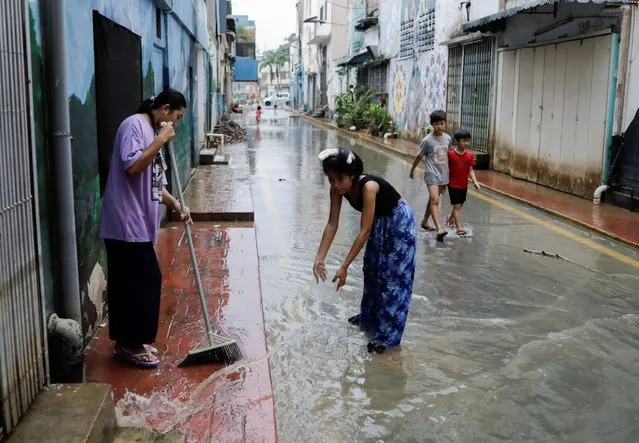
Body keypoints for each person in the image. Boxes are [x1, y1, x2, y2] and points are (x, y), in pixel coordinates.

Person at [99, 88, 191, 369]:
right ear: (164, 109)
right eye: (175, 117)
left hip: (138, 224)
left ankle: (132, 342)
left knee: (136, 283)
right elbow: (132, 167)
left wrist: (177, 205)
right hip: (125, 223)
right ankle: (130, 344)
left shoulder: (150, 134)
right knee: (143, 281)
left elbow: (155, 184)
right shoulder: (133, 126)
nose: (175, 124)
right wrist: (161, 141)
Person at [313, 148, 417, 354]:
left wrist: (344, 267)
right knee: (371, 270)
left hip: (399, 221)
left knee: (393, 278)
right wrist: (319, 258)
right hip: (379, 219)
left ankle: (388, 337)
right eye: (331, 179)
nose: (335, 184)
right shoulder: (336, 190)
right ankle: (369, 318)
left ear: (352, 175)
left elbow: (364, 231)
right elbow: (332, 224)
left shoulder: (369, 187)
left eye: (340, 179)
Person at [409, 110, 451, 241]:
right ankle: (439, 228)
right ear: (432, 125)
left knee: (433, 199)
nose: (440, 126)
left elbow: (448, 155)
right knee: (435, 199)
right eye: (437, 124)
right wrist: (412, 170)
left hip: (443, 174)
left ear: (445, 124)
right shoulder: (427, 140)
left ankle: (425, 221)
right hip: (431, 174)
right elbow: (419, 156)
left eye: (442, 123)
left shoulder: (448, 138)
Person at [446, 129, 480, 235]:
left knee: (460, 205)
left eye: (468, 141)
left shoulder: (469, 156)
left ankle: (449, 218)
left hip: (463, 185)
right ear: (457, 141)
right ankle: (459, 228)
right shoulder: (450, 155)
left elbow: (470, 170)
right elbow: (446, 169)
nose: (466, 143)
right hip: (452, 184)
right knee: (456, 207)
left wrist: (475, 182)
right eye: (463, 141)